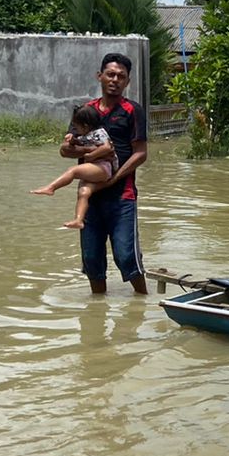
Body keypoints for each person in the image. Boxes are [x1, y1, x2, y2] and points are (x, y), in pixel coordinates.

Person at [61, 52, 148, 295]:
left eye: (121, 76)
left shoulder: (132, 110)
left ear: (127, 82)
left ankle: (142, 303)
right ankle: (96, 316)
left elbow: (141, 153)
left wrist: (115, 177)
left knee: (127, 256)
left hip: (123, 196)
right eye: (110, 74)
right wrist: (76, 149)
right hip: (90, 196)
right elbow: (65, 150)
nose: (115, 79)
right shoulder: (86, 112)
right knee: (92, 259)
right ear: (99, 76)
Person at [31, 104, 115, 230]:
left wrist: (92, 156)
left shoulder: (99, 133)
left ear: (85, 126)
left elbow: (107, 147)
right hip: (95, 168)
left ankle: (51, 187)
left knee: (73, 171)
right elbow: (79, 142)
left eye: (76, 127)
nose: (75, 129)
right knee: (84, 192)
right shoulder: (86, 135)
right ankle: (78, 220)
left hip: (103, 167)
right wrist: (72, 139)